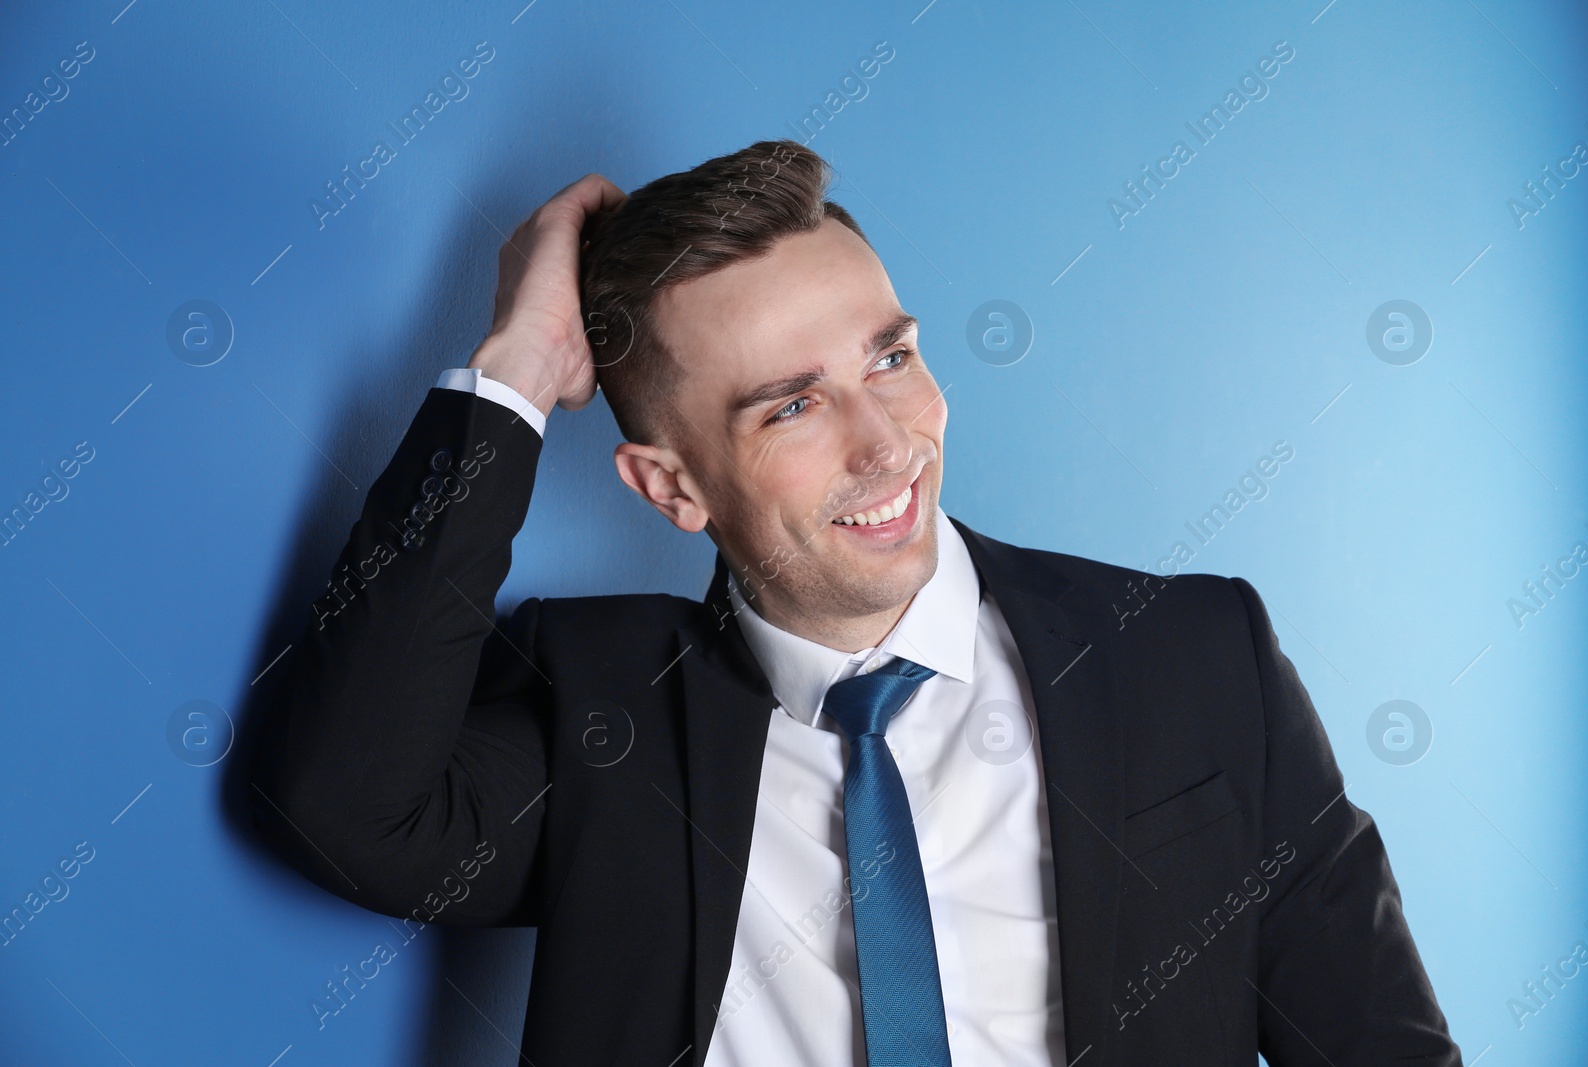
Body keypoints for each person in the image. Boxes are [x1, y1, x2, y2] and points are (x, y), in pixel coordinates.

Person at [248, 139, 1462, 1066]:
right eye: (791, 404)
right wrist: (513, 374)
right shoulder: (600, 702)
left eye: (889, 356)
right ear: (670, 485)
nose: (888, 443)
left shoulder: (1193, 657)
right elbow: (345, 803)